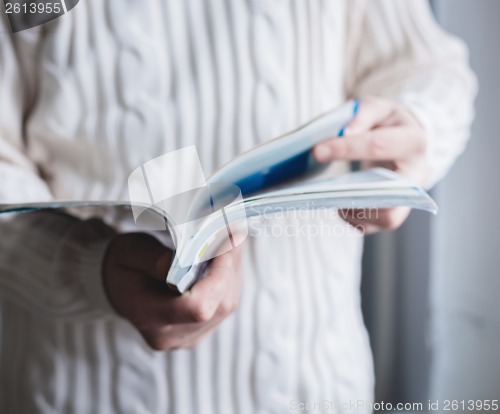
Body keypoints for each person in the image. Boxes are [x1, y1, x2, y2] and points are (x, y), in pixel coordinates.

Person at [0, 1, 476, 413]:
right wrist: (86, 267)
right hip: (74, 389)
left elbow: (428, 67)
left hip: (313, 381)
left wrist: (413, 131)